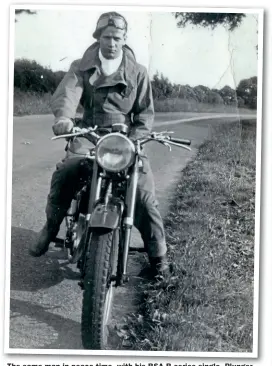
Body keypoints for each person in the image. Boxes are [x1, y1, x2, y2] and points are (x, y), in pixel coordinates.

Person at [29, 12, 170, 279]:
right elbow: (68, 94)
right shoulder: (80, 66)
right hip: (88, 131)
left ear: (124, 38)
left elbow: (145, 115)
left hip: (126, 138)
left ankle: (159, 257)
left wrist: (137, 139)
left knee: (142, 192)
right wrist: (64, 118)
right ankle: (50, 227)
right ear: (98, 37)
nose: (112, 43)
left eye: (117, 38)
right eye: (107, 37)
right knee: (68, 169)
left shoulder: (138, 72)